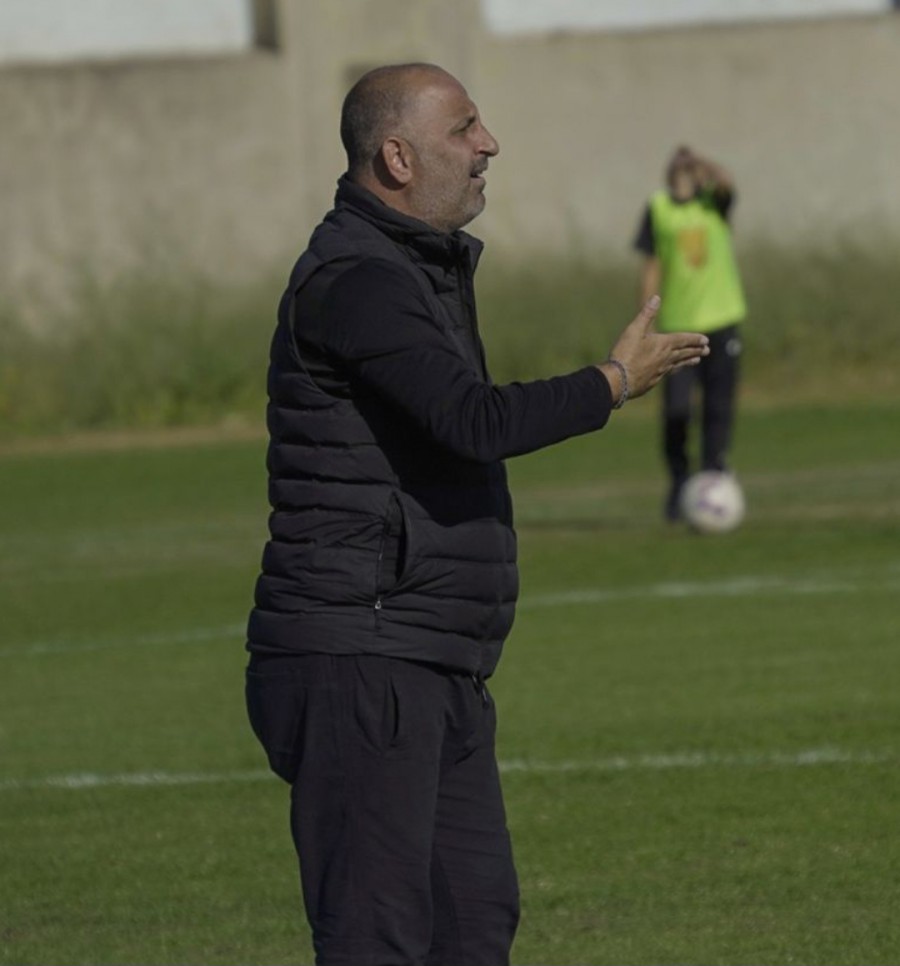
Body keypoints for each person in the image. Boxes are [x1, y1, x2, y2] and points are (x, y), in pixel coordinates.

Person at [245, 63, 709, 966]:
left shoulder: (413, 269)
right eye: (464, 129)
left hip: (432, 658)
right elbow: (473, 421)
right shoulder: (357, 279)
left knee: (472, 923)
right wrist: (612, 382)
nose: (488, 144)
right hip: (362, 659)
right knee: (377, 938)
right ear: (397, 158)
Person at [633, 146, 748, 521]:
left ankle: (715, 476)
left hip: (722, 320)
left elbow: (728, 183)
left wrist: (704, 164)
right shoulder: (658, 208)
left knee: (718, 408)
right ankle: (679, 482)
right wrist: (645, 320)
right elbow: (652, 264)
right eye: (677, 165)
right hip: (678, 326)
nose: (682, 171)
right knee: (677, 410)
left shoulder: (713, 202)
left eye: (688, 166)